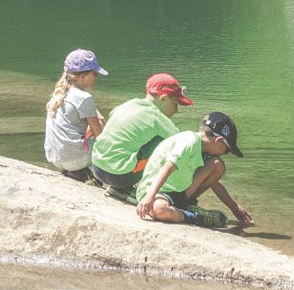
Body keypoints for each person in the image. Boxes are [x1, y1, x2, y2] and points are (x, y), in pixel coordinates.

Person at [135, 111, 252, 229]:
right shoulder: (190, 142)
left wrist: (234, 207)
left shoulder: (204, 151)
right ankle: (195, 216)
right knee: (159, 210)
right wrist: (149, 197)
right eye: (227, 150)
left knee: (218, 165)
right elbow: (168, 167)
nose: (224, 154)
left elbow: (214, 183)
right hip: (157, 191)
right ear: (219, 141)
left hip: (180, 192)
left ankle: (185, 206)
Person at [91, 72, 192, 196]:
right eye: (175, 104)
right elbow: (183, 142)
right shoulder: (157, 117)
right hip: (120, 176)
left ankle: (121, 188)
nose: (176, 110)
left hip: (97, 166)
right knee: (167, 143)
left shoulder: (130, 103)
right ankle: (147, 190)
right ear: (163, 99)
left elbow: (112, 113)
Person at [44, 48, 107, 181]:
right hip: (75, 161)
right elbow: (99, 135)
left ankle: (77, 170)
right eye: (94, 73)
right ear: (83, 76)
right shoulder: (84, 98)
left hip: (54, 158)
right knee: (104, 132)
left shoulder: (59, 93)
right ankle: (109, 179)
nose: (97, 77)